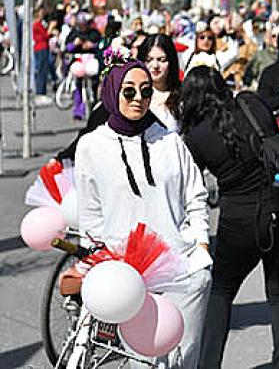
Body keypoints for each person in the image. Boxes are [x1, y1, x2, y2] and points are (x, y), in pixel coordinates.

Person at [74, 58, 211, 369]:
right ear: (111, 92)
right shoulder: (91, 147)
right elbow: (90, 214)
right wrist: (99, 262)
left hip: (181, 267)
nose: (138, 99)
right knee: (142, 362)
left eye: (146, 92)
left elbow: (196, 195)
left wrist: (201, 244)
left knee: (185, 359)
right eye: (129, 91)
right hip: (128, 275)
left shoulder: (170, 141)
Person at [182, 67, 279, 368]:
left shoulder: (197, 135)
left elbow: (190, 182)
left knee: (221, 291)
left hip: (240, 219)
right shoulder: (251, 103)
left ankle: (208, 362)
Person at [138, 34, 182, 131]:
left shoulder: (182, 96)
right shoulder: (135, 95)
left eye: (162, 60)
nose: (155, 65)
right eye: (149, 60)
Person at [244, 25, 279, 89]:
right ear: (269, 38)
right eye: (274, 36)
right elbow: (248, 73)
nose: (277, 39)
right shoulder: (260, 55)